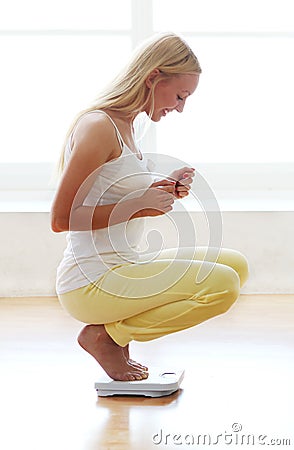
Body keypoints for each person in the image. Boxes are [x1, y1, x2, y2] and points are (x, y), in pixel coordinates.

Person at [51, 32, 249, 381]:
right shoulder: (99, 127)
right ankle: (107, 337)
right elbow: (60, 219)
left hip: (124, 265)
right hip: (91, 282)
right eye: (180, 95)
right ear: (154, 77)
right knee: (223, 285)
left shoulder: (128, 127)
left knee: (236, 265)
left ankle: (111, 333)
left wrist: (160, 189)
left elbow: (114, 196)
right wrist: (140, 206)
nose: (180, 107)